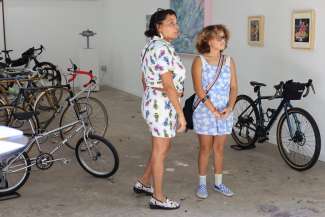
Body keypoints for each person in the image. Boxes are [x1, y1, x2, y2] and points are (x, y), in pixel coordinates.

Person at [133, 8, 186, 210]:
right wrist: (181, 114)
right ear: (158, 26)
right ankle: (158, 197)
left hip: (155, 101)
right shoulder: (162, 49)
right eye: (171, 23)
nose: (176, 26)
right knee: (160, 151)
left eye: (176, 22)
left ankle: (144, 182)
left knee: (160, 148)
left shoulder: (150, 46)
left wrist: (150, 95)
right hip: (163, 105)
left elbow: (143, 78)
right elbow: (169, 85)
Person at [191, 25, 238, 199]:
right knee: (205, 148)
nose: (223, 41)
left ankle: (218, 183)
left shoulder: (229, 61)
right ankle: (202, 184)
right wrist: (213, 110)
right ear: (209, 40)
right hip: (205, 112)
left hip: (224, 112)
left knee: (219, 148)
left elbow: (233, 87)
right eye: (219, 38)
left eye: (224, 37)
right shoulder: (199, 61)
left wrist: (230, 107)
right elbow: (199, 89)